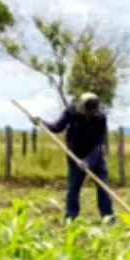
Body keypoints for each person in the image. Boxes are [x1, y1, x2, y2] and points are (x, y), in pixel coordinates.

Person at [32, 92, 114, 223]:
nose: (89, 115)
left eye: (92, 112)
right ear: (81, 107)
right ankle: (71, 218)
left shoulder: (100, 118)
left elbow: (99, 143)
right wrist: (41, 123)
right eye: (87, 112)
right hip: (75, 157)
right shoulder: (71, 113)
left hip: (95, 157)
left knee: (103, 188)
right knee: (73, 189)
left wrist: (88, 161)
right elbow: (57, 127)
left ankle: (108, 217)